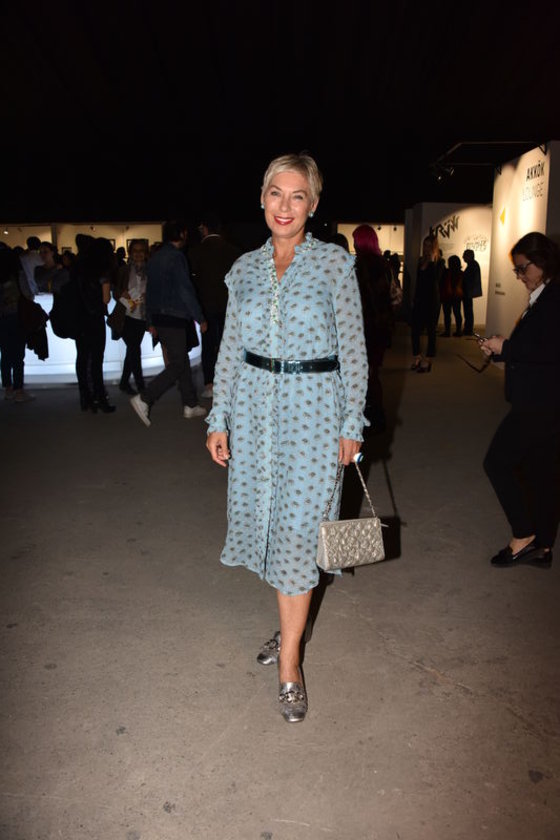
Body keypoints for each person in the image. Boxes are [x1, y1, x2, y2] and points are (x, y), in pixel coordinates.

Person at [206, 153, 368, 723]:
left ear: (313, 205)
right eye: (276, 192)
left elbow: (354, 351)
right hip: (255, 415)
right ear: (262, 197)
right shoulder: (244, 269)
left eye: (298, 196)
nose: (285, 205)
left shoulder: (334, 264)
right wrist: (218, 417)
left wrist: (352, 423)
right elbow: (229, 349)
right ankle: (289, 626)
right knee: (271, 531)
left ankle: (291, 663)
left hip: (315, 414)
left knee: (300, 536)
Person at [480, 232, 560, 568]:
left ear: (542, 262)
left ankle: (523, 536)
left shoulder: (554, 298)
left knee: (497, 462)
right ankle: (542, 547)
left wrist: (507, 347)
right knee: (542, 473)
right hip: (543, 401)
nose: (519, 275)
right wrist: (502, 350)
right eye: (516, 269)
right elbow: (536, 349)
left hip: (539, 404)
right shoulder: (544, 296)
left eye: (523, 268)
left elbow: (550, 350)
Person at [130, 221, 207, 427]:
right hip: (175, 317)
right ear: (181, 234)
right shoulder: (176, 257)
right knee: (178, 364)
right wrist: (199, 317)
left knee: (181, 361)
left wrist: (150, 320)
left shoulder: (155, 258)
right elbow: (185, 289)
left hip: (160, 318)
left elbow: (149, 291)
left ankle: (190, 404)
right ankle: (145, 398)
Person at [189, 213, 241, 399]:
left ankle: (210, 384)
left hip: (206, 306)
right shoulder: (233, 251)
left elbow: (192, 284)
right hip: (229, 306)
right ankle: (230, 383)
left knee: (209, 345)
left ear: (204, 228)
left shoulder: (196, 252)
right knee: (229, 345)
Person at [352, 224, 393, 430]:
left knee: (364, 374)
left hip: (366, 327)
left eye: (355, 240)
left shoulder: (362, 266)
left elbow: (360, 299)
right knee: (373, 372)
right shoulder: (384, 265)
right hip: (381, 326)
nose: (353, 244)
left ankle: (372, 415)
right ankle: (377, 413)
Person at [73, 235, 116, 413]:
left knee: (82, 357)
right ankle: (100, 397)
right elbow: (106, 299)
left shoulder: (78, 267)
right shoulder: (103, 271)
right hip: (95, 319)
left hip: (79, 318)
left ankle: (85, 397)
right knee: (96, 360)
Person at [111, 239, 148, 395]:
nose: (138, 254)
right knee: (134, 349)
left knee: (132, 350)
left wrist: (148, 296)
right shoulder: (123, 271)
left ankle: (124, 382)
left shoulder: (150, 271)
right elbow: (115, 292)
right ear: (130, 253)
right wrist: (122, 293)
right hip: (125, 315)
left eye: (141, 250)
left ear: (145, 253)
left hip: (142, 316)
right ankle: (141, 386)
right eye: (135, 251)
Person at [0, 245, 34, 402]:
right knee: (18, 355)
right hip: (17, 316)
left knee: (5, 354)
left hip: (2, 318)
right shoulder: (17, 274)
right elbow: (27, 293)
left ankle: (7, 388)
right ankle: (18, 390)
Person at [410, 234, 444, 372]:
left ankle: (428, 359)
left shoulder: (440, 262)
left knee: (431, 330)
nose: (426, 248)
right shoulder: (420, 261)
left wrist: (431, 262)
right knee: (415, 330)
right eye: (425, 245)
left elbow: (436, 280)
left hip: (432, 300)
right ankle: (417, 356)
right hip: (419, 300)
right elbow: (418, 282)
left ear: (434, 247)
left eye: (430, 245)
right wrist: (414, 298)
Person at [439, 254, 463, 337]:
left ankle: (447, 331)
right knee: (457, 313)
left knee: (447, 314)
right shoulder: (460, 273)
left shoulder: (446, 272)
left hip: (447, 296)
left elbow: (442, 283)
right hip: (456, 296)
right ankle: (458, 331)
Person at [462, 249, 482, 336]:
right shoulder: (473, 264)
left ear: (469, 256)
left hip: (468, 292)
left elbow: (469, 279)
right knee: (468, 310)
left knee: (468, 311)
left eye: (464, 255)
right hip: (468, 292)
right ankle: (468, 328)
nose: (463, 257)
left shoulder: (472, 265)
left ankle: (468, 329)